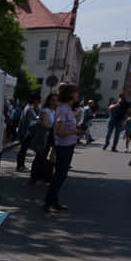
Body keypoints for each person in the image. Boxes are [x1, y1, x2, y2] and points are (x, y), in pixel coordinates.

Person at [45, 83, 83, 213]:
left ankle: (54, 202)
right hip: (63, 146)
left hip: (68, 145)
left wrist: (75, 129)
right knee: (59, 175)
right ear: (70, 94)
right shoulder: (63, 110)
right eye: (76, 92)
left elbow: (66, 127)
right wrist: (74, 132)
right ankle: (48, 203)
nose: (78, 95)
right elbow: (60, 131)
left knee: (61, 175)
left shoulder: (67, 108)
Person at [29, 93, 57, 186]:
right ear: (48, 101)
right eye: (52, 100)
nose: (54, 102)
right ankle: (34, 178)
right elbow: (45, 124)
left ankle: (44, 178)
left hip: (52, 137)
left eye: (56, 100)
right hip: (44, 137)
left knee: (49, 159)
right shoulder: (45, 110)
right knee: (40, 158)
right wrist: (54, 128)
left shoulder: (55, 111)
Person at [16, 93, 41, 172]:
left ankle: (21, 165)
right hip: (26, 132)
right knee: (23, 150)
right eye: (38, 100)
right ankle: (20, 166)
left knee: (23, 150)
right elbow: (29, 122)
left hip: (26, 132)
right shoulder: (29, 109)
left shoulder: (30, 108)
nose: (39, 102)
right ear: (35, 100)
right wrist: (38, 121)